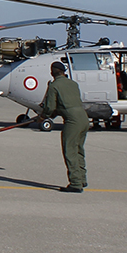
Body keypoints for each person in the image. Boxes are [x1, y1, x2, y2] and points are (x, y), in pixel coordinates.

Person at [38, 60, 88, 192]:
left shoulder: (54, 86)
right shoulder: (73, 84)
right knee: (78, 150)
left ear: (53, 72)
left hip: (72, 121)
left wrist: (43, 116)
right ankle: (82, 179)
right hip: (83, 118)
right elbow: (64, 104)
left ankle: (75, 184)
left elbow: (50, 107)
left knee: (69, 150)